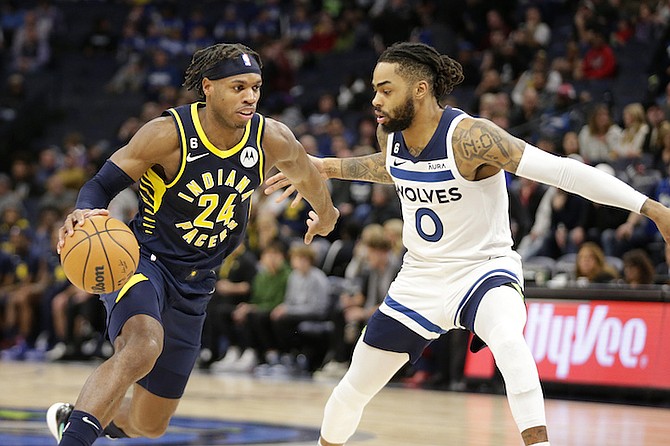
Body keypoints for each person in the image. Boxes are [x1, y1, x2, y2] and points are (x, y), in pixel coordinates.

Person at [265, 42, 670, 446]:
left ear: (420, 89)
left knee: (509, 342)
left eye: (386, 89)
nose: (375, 99)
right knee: (353, 387)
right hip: (420, 278)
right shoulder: (390, 134)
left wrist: (650, 207)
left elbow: (564, 172)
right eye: (375, 89)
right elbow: (391, 168)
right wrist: (326, 166)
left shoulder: (471, 138)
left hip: (484, 269)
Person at [46, 42, 339, 446]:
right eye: (238, 87)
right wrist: (82, 211)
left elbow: (306, 174)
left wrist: (326, 213)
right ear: (208, 87)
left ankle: (77, 419)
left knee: (150, 425)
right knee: (143, 344)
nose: (251, 96)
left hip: (198, 281)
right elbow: (100, 186)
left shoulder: (270, 137)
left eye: (255, 86)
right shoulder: (167, 134)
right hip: (144, 261)